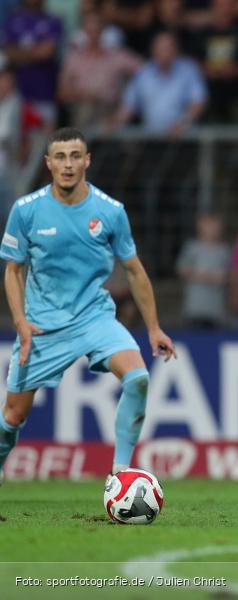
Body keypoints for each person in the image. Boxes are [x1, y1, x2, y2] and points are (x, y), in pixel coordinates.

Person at [0, 127, 177, 486]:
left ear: (87, 161)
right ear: (48, 163)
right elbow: (13, 271)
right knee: (14, 415)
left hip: (94, 317)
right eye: (60, 157)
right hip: (42, 324)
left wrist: (154, 328)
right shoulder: (26, 210)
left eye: (75, 156)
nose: (68, 164)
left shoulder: (110, 212)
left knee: (138, 378)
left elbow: (134, 270)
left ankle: (120, 475)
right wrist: (20, 321)